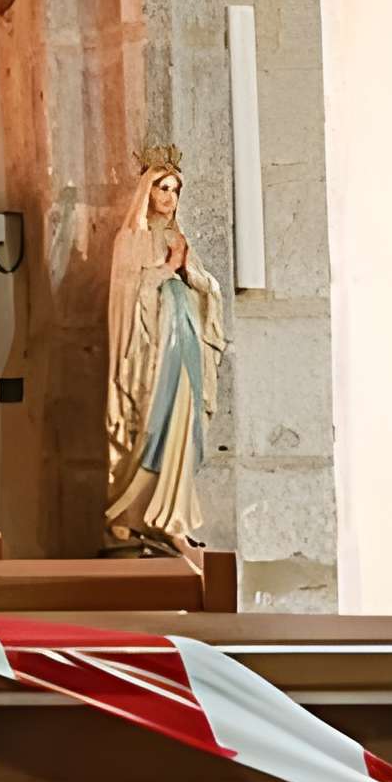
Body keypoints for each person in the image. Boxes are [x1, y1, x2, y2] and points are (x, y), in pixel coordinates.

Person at [104, 152, 226, 552]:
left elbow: (206, 285)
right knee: (151, 423)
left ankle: (171, 515)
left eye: (176, 191)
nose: (170, 198)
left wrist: (187, 271)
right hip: (152, 348)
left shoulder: (178, 238)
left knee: (184, 421)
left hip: (187, 338)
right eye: (162, 188)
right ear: (147, 192)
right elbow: (126, 296)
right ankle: (129, 513)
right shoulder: (131, 240)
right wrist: (165, 270)